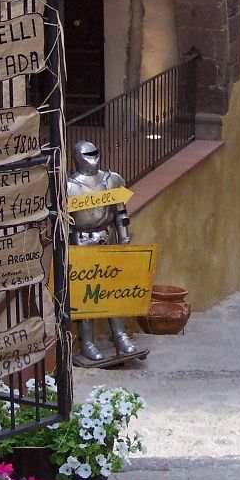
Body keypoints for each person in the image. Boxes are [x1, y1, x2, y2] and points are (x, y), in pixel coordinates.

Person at [67, 139, 138, 362]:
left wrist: (124, 238)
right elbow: (66, 222)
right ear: (77, 158)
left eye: (94, 153)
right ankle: (87, 341)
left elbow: (121, 212)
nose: (92, 158)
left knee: (112, 287)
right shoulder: (68, 186)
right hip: (82, 239)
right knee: (85, 291)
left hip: (109, 235)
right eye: (87, 155)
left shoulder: (112, 179)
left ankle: (120, 335)